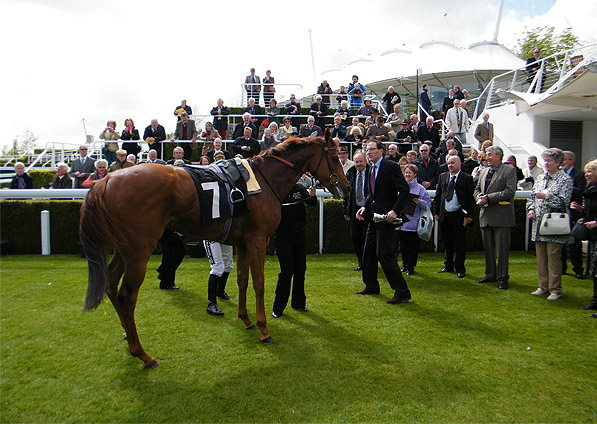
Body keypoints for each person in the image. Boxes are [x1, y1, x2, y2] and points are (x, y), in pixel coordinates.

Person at [355, 140, 411, 304]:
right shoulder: (371, 169)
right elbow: (373, 195)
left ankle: (402, 291)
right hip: (374, 217)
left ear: (381, 151)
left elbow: (404, 189)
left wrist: (395, 210)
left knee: (384, 255)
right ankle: (371, 285)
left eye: (372, 149)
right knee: (368, 254)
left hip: (386, 218)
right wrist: (364, 208)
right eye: (367, 150)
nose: (369, 152)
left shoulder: (390, 166)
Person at [527, 148, 573, 301]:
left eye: (549, 160)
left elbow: (562, 202)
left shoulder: (564, 179)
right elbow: (532, 197)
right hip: (538, 224)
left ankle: (555, 289)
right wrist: (531, 209)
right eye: (545, 160)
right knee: (541, 258)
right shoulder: (540, 178)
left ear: (558, 162)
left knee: (553, 258)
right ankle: (543, 286)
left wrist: (546, 197)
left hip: (554, 224)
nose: (546, 163)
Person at [272, 176, 318, 318]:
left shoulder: (299, 188)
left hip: (299, 234)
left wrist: (313, 196)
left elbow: (312, 203)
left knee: (300, 270)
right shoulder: (278, 190)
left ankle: (298, 303)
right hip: (282, 236)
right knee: (286, 271)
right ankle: (278, 308)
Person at [474, 146, 518, 290]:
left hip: (502, 217)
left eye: (490, 154)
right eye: (486, 154)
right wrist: (479, 197)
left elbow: (510, 191)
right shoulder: (484, 171)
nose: (487, 157)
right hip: (485, 216)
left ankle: (503, 277)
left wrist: (488, 198)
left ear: (499, 156)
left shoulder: (509, 170)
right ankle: (490, 274)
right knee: (488, 249)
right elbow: (477, 189)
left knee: (501, 250)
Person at [434, 156, 475, 278]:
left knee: (460, 243)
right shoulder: (443, 176)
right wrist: (436, 212)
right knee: (447, 242)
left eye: (453, 163)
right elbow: (438, 196)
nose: (450, 165)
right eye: (449, 163)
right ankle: (448, 265)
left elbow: (470, 199)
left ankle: (460, 268)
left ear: (459, 164)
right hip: (445, 214)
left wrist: (469, 216)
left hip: (459, 214)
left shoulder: (467, 178)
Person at [570, 159, 597, 316]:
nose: (586, 174)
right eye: (586, 171)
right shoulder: (590, 189)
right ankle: (594, 301)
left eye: (590, 171)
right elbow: (589, 211)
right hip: (593, 237)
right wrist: (581, 210)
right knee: (594, 271)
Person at [395, 164, 432, 276]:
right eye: (406, 173)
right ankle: (405, 264)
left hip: (413, 222)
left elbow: (428, 205)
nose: (407, 175)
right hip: (401, 221)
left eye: (410, 173)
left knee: (412, 246)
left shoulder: (420, 189)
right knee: (403, 245)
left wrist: (419, 202)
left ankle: (411, 266)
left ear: (415, 175)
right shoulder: (400, 186)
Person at [561, 150, 587, 279]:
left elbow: (580, 191)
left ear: (571, 161)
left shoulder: (579, 175)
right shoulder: (559, 174)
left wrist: (565, 186)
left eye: (564, 159)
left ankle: (578, 269)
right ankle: (562, 268)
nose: (562, 162)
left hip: (574, 213)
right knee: (560, 242)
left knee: (574, 243)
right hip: (561, 213)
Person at [343, 151, 370, 272]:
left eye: (361, 161)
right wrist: (345, 210)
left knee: (371, 238)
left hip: (370, 210)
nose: (359, 164)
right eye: (357, 162)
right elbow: (346, 193)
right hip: (354, 210)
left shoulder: (371, 172)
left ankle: (370, 262)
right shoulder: (351, 173)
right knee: (356, 237)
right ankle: (361, 262)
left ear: (366, 161)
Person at [204, 239, 234, 315]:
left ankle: (220, 292)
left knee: (228, 265)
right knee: (217, 267)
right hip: (211, 237)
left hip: (224, 236)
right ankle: (211, 304)